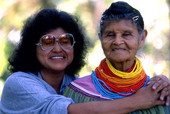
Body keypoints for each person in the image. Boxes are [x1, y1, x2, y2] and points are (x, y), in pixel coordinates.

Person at [0, 8, 169, 114]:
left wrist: (163, 82)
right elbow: (70, 111)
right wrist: (138, 101)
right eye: (48, 41)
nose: (58, 49)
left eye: (65, 41)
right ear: (33, 46)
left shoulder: (75, 84)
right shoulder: (19, 82)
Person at [63, 1, 170, 113]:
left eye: (126, 34)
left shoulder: (160, 93)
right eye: (110, 35)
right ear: (100, 38)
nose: (117, 41)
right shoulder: (77, 91)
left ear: (142, 38)